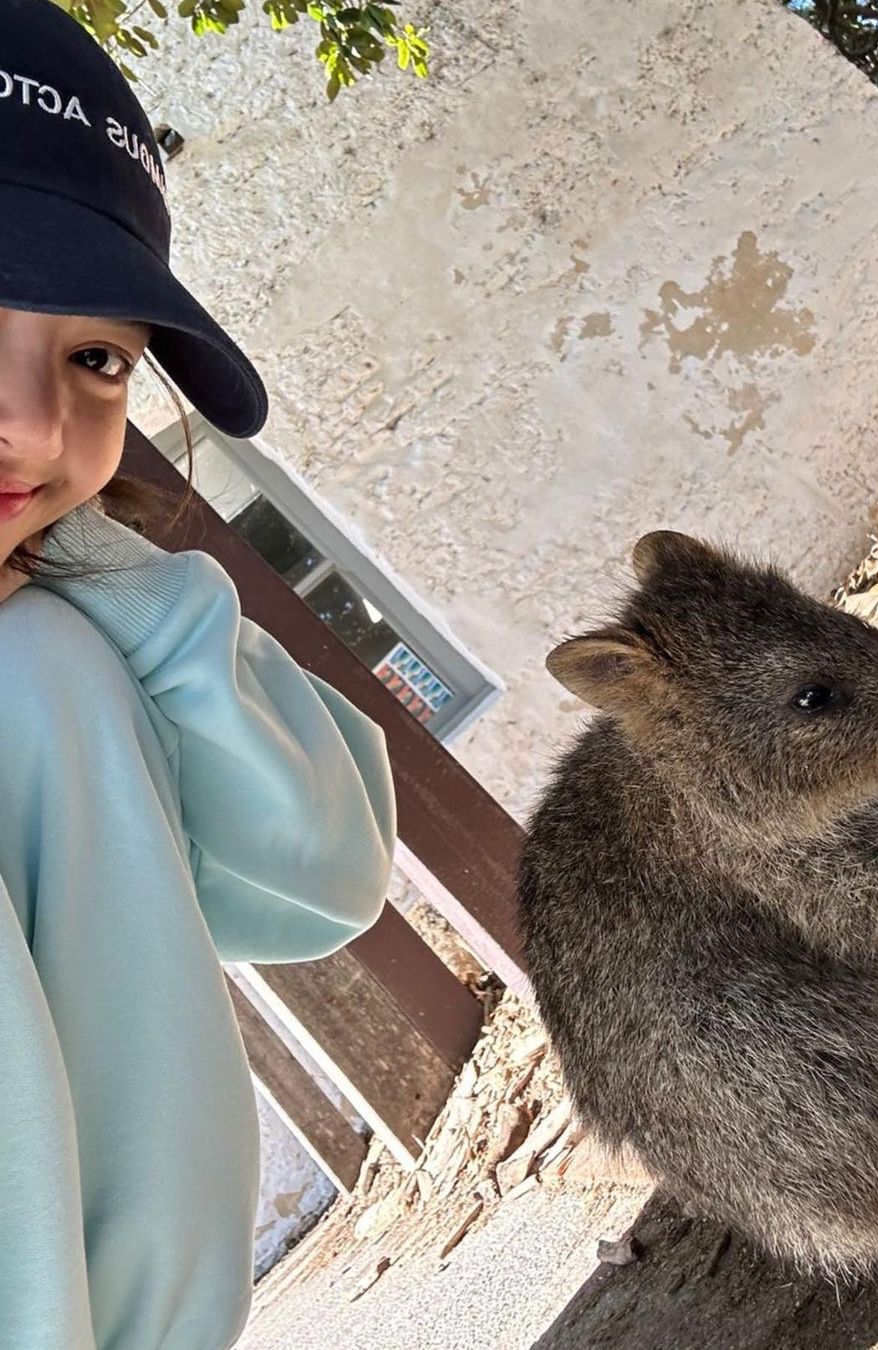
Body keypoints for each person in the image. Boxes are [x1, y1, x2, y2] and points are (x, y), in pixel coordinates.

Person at [0, 2, 397, 1346]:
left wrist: (112, 582)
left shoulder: (55, 658)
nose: (39, 424)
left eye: (96, 359)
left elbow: (323, 870)